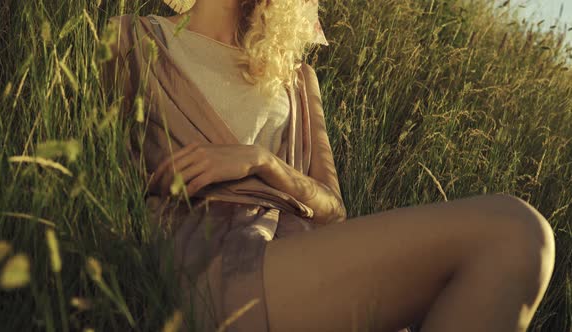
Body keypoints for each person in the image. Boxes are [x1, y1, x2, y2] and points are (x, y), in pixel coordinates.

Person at [101, 0, 557, 331]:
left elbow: (333, 208)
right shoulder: (133, 37)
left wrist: (263, 163)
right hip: (206, 263)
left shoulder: (297, 78)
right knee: (513, 232)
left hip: (290, 254)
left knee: (521, 240)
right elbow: (98, 176)